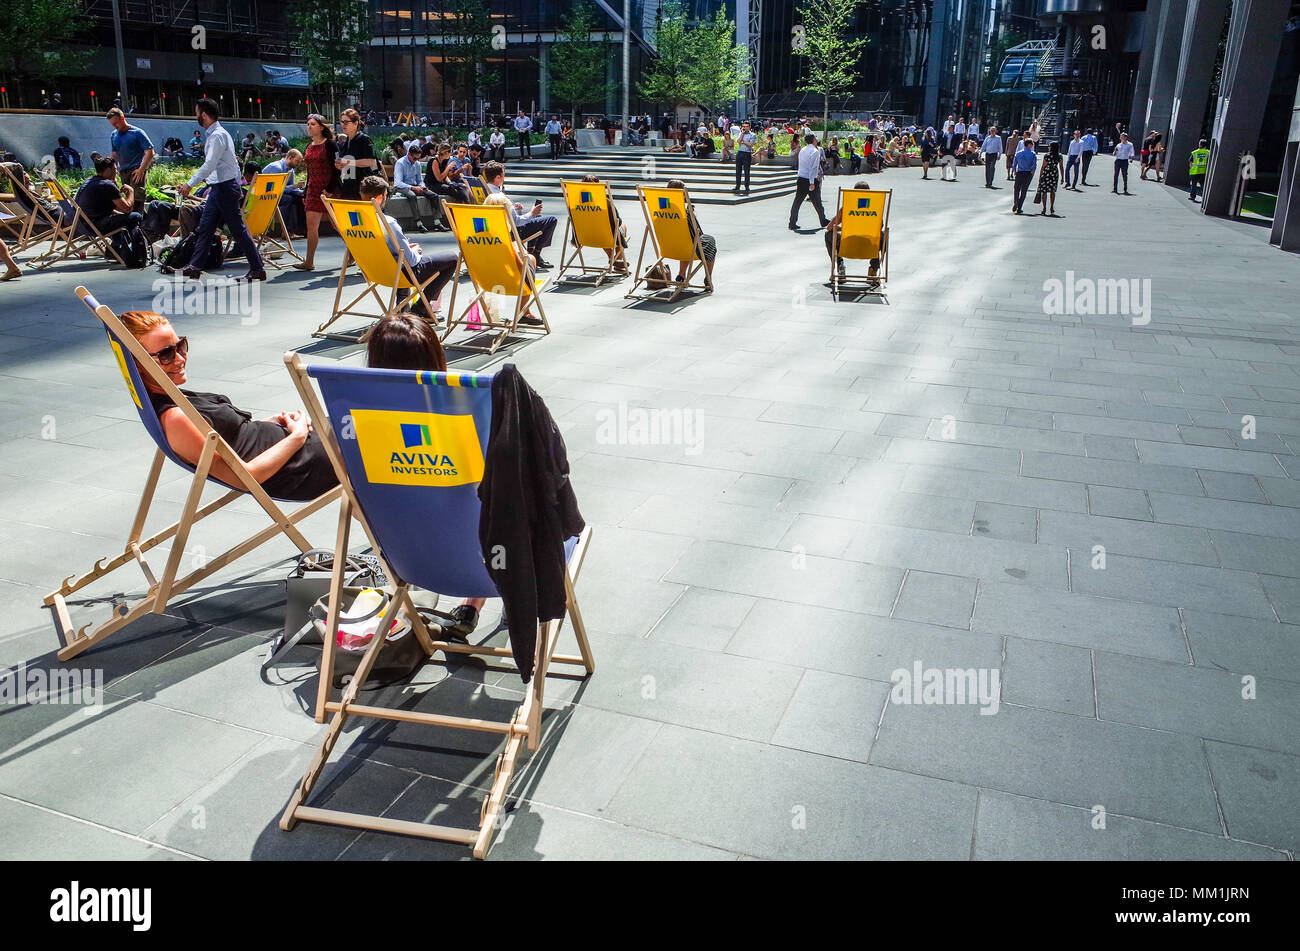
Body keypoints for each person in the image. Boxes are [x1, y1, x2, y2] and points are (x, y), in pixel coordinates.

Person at [118, 310, 338, 502]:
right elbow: (246, 478)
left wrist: (270, 424)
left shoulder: (169, 393)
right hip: (299, 469)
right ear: (137, 364)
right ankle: (363, 511)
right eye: (166, 354)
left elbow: (233, 438)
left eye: (181, 346)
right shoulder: (176, 419)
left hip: (297, 448)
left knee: (356, 422)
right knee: (365, 435)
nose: (180, 358)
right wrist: (296, 437)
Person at [364, 313, 485, 637]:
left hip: (406, 555)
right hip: (481, 562)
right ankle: (472, 604)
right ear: (436, 357)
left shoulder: (354, 419)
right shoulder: (468, 412)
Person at [176, 98, 265, 282]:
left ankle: (257, 268)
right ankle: (195, 266)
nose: (196, 116)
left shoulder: (217, 135)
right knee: (206, 227)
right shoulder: (217, 134)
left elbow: (209, 164)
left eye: (197, 113)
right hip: (221, 188)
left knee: (237, 230)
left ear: (204, 115)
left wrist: (190, 184)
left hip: (224, 189)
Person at [358, 176, 459, 322]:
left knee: (399, 257)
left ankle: (402, 306)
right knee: (452, 258)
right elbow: (411, 261)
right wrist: (415, 250)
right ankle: (421, 307)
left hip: (374, 271)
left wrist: (403, 248)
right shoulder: (389, 223)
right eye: (386, 196)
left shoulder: (356, 221)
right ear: (380, 198)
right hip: (399, 272)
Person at [480, 160, 556, 269]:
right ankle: (536, 254)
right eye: (503, 175)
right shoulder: (499, 196)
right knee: (551, 220)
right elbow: (516, 222)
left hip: (494, 229)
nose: (504, 178)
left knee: (537, 218)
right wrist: (531, 213)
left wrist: (515, 209)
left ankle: (531, 252)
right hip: (511, 232)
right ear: (497, 178)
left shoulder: (485, 191)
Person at [294, 113, 342, 271]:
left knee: (338, 226)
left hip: (329, 190)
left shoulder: (331, 145)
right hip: (313, 190)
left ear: (321, 127)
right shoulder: (309, 146)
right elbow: (309, 172)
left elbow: (337, 171)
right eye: (308, 124)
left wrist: (329, 189)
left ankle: (355, 254)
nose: (309, 126)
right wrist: (305, 191)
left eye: (312, 124)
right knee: (311, 226)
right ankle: (309, 261)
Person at [823, 178, 881, 282]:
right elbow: (879, 227)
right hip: (868, 245)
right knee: (882, 235)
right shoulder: (874, 207)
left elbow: (829, 227)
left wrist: (843, 228)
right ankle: (873, 269)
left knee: (828, 234)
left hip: (848, 244)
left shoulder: (847, 207)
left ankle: (840, 266)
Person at [660, 178, 715, 286]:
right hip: (689, 248)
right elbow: (698, 234)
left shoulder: (659, 212)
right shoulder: (686, 213)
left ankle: (681, 275)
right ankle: (708, 277)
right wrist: (693, 215)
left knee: (684, 240)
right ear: (683, 194)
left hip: (668, 247)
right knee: (709, 240)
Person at [75, 154, 142, 235]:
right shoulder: (106, 184)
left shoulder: (89, 181)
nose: (117, 172)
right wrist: (131, 191)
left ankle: (119, 244)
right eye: (115, 169)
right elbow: (127, 209)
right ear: (108, 170)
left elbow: (107, 209)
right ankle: (136, 245)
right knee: (136, 216)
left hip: (82, 225)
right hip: (96, 226)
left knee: (122, 218)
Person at [576, 172, 629, 274]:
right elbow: (617, 220)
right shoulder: (605, 202)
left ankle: (613, 259)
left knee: (599, 230)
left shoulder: (574, 203)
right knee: (621, 226)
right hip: (603, 236)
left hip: (583, 236)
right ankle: (616, 260)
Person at [107, 106, 154, 215]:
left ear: (122, 118)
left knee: (137, 199)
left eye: (116, 123)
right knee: (127, 199)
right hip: (123, 171)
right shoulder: (114, 135)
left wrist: (141, 169)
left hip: (136, 170)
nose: (115, 126)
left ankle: (138, 224)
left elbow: (150, 152)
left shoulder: (137, 133)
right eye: (112, 124)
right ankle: (131, 223)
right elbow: (114, 154)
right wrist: (111, 172)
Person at [392, 143, 439, 233]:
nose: (415, 160)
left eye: (418, 158)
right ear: (409, 154)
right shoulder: (400, 163)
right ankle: (418, 223)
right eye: (414, 158)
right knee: (412, 196)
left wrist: (423, 187)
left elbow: (419, 180)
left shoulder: (417, 164)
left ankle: (437, 222)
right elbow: (398, 182)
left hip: (415, 186)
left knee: (433, 195)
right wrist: (413, 188)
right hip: (402, 187)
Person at [789, 134, 829, 231]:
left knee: (797, 202)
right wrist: (812, 182)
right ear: (813, 140)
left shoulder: (802, 150)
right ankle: (823, 220)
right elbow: (813, 168)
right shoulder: (815, 152)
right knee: (817, 202)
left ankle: (792, 222)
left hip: (801, 178)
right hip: (810, 179)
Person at [336, 108, 378, 200]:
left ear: (355, 123)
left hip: (363, 189)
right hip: (348, 187)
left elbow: (371, 161)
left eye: (346, 122)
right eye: (342, 122)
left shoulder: (364, 139)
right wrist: (340, 165)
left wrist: (348, 162)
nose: (343, 125)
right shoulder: (345, 141)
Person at [263, 148, 307, 236]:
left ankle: (301, 229)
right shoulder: (276, 167)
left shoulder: (291, 170)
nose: (298, 164)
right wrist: (295, 186)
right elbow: (274, 189)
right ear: (290, 157)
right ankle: (286, 231)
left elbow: (291, 188)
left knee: (301, 198)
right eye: (297, 161)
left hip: (280, 193)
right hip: (267, 194)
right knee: (288, 199)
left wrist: (301, 192)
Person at [1034, 141, 1062, 215]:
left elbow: (1043, 166)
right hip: (1054, 173)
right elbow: (1061, 167)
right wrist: (1062, 177)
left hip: (1046, 172)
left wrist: (1040, 176)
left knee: (1044, 191)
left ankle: (1044, 207)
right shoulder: (1059, 156)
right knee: (1052, 191)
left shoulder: (1047, 155)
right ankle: (1052, 206)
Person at [1011, 139, 1037, 214]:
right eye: (1031, 144)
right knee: (1024, 191)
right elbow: (1034, 165)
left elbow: (1014, 163)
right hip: (1028, 173)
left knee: (1016, 189)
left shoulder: (1018, 153)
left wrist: (1015, 171)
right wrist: (1032, 172)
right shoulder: (1032, 154)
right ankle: (1019, 206)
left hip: (1020, 172)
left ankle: (1016, 201)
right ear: (1029, 145)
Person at [734, 121, 756, 194]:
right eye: (744, 126)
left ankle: (747, 187)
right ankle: (737, 186)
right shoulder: (741, 133)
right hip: (740, 153)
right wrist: (742, 135)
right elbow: (738, 141)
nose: (745, 128)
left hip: (747, 153)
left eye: (746, 126)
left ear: (749, 127)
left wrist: (743, 142)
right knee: (738, 171)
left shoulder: (752, 135)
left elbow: (750, 144)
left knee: (746, 171)